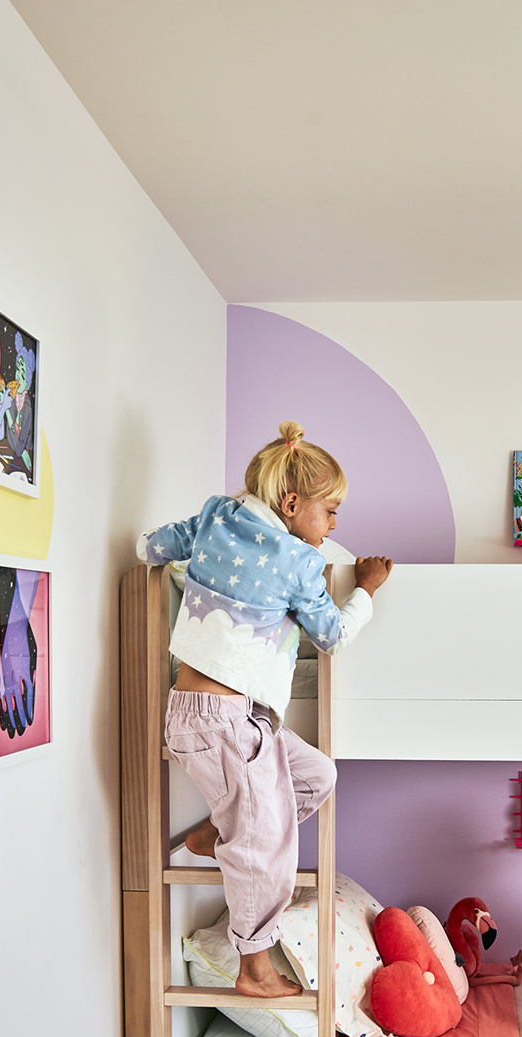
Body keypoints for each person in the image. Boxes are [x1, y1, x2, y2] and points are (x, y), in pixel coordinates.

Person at [136, 420, 392, 999]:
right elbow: (331, 635)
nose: (331, 527)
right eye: (329, 512)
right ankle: (253, 968)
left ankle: (219, 833)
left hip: (225, 718)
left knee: (318, 774)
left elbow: (149, 547)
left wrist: (196, 556)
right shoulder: (300, 564)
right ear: (292, 503)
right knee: (268, 852)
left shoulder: (214, 517)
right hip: (225, 722)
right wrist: (367, 590)